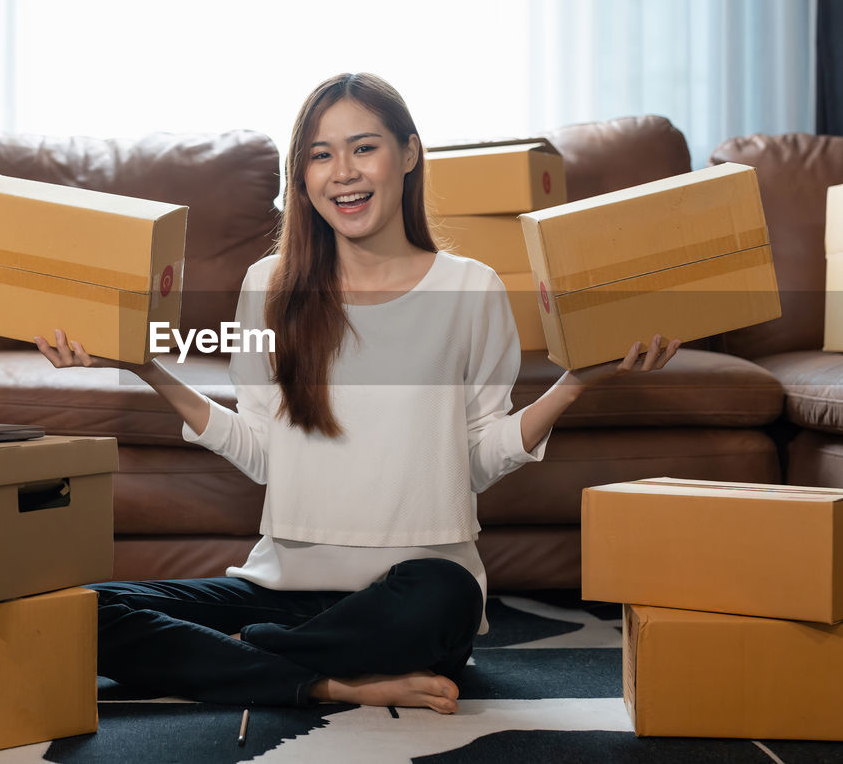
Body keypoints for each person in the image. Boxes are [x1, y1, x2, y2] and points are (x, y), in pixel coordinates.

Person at [35, 72, 680, 715]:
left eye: (363, 147)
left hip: (412, 596)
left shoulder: (471, 290)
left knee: (449, 594)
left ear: (410, 153)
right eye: (320, 155)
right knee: (82, 609)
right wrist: (149, 368)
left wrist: (575, 384)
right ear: (303, 176)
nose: (342, 171)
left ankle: (245, 659)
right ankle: (325, 679)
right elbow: (263, 451)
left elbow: (477, 459)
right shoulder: (268, 287)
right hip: (286, 593)